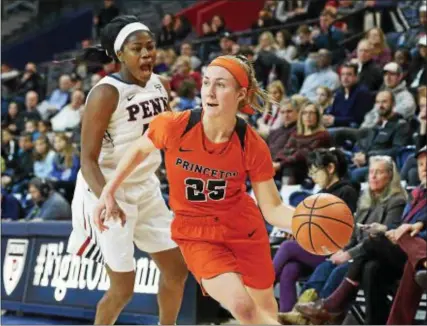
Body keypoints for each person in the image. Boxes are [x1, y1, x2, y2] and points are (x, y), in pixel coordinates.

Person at [94, 54, 298, 324]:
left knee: (266, 311)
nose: (210, 92)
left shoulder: (251, 143)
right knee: (243, 307)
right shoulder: (176, 125)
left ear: (241, 94)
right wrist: (109, 190)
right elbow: (140, 148)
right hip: (197, 234)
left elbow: (271, 208)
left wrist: (304, 221)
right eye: (206, 83)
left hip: (244, 230)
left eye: (221, 85)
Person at [66, 16, 188, 325]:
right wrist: (107, 199)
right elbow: (88, 160)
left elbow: (169, 137)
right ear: (120, 53)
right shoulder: (105, 93)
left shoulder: (160, 86)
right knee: (123, 288)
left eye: (151, 46)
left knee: (177, 270)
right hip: (106, 189)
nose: (147, 54)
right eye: (138, 48)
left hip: (145, 187)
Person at [274, 148, 358, 315]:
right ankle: (290, 317)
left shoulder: (347, 191)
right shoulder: (320, 193)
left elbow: (343, 229)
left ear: (331, 168)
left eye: (315, 171)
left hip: (333, 252)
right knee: (290, 269)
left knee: (288, 247)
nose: (311, 176)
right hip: (316, 249)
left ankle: (261, 286)